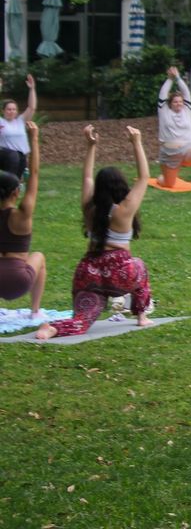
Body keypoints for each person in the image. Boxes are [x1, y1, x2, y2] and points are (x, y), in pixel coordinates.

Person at [36, 125, 153, 339]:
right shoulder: (123, 211)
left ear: (99, 188)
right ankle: (141, 316)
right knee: (140, 267)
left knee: (82, 321)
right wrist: (137, 143)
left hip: (89, 272)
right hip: (119, 274)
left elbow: (88, 178)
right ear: (120, 187)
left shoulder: (90, 209)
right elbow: (144, 177)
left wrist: (90, 146)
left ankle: (52, 328)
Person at [0, 120, 47, 317]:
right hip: (19, 281)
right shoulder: (23, 213)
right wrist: (34, 139)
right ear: (15, 193)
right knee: (39, 257)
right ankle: (35, 310)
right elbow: (34, 174)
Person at [156, 66, 191, 189]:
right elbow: (163, 94)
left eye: (180, 102)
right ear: (170, 104)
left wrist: (178, 78)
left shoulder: (187, 110)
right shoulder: (164, 111)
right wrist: (170, 79)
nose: (179, 104)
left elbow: (186, 93)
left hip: (187, 150)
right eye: (175, 102)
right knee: (169, 184)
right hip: (169, 153)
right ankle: (161, 178)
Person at [0, 74, 37, 175]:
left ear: (17, 111)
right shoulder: (1, 122)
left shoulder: (20, 121)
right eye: (8, 109)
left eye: (14, 109)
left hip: (22, 156)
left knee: (18, 183)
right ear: (3, 111)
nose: (11, 111)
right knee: (10, 182)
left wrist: (32, 89)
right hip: (6, 157)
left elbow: (31, 107)